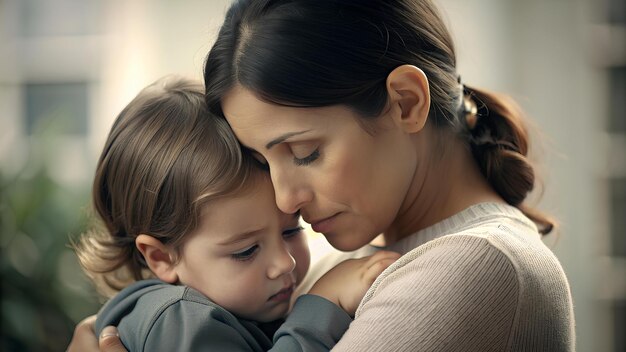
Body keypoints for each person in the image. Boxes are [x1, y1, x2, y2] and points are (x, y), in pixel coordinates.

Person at [68, 0, 576, 350]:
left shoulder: (477, 266)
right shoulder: (341, 259)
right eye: (264, 162)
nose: (284, 199)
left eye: (305, 152)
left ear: (405, 102)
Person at [72, 76, 400, 351]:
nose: (285, 263)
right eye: (246, 250)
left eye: (291, 230)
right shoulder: (181, 319)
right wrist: (323, 301)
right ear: (161, 257)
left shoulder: (235, 306)